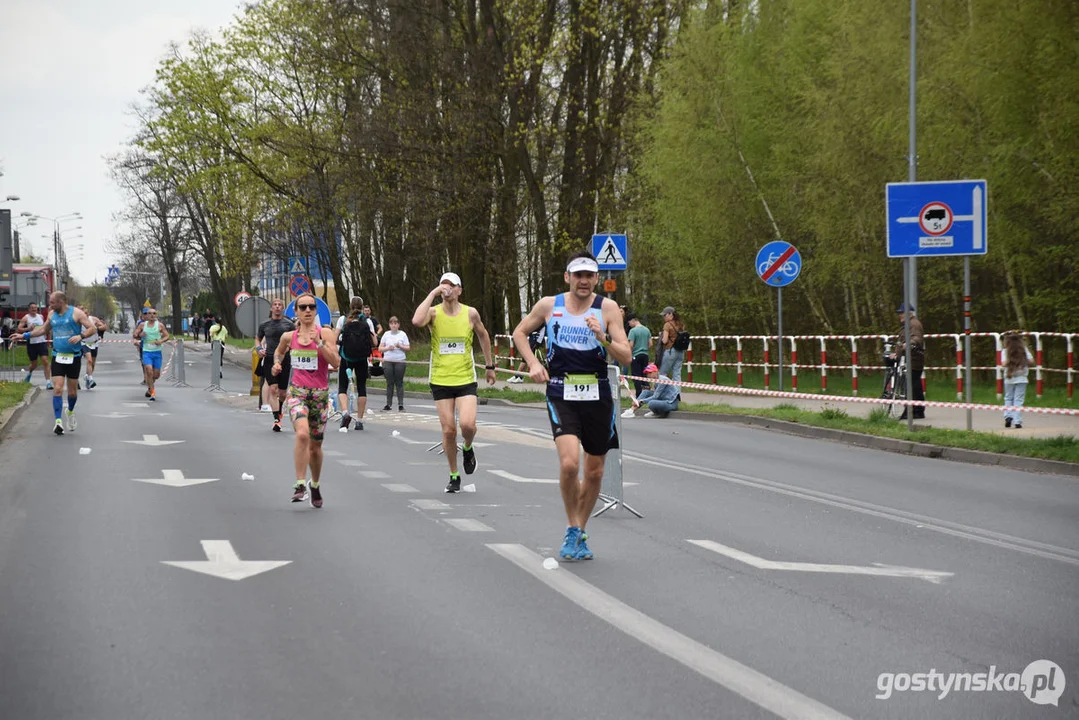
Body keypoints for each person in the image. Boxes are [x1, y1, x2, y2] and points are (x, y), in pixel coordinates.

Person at [511, 251, 632, 561]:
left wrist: (602, 337)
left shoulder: (607, 309)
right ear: (567, 277)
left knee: (594, 472)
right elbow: (520, 333)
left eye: (589, 275)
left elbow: (626, 356)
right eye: (578, 275)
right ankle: (572, 528)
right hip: (561, 390)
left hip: (598, 394)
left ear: (597, 279)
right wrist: (533, 364)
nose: (583, 280)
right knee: (569, 464)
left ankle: (579, 531)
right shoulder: (550, 305)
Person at [412, 271, 497, 492]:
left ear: (459, 290)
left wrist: (489, 366)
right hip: (440, 379)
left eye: (451, 284)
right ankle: (454, 474)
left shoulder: (470, 313)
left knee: (467, 425)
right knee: (449, 430)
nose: (446, 287)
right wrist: (432, 293)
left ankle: (468, 447)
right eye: (443, 284)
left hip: (465, 378)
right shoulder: (433, 313)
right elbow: (416, 321)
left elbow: (483, 335)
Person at [271, 292, 340, 508]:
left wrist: (320, 344)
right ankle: (300, 483)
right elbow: (279, 352)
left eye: (311, 306)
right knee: (302, 434)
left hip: (319, 395)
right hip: (297, 393)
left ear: (316, 310)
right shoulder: (288, 337)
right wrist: (277, 363)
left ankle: (315, 484)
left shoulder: (325, 333)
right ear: (296, 312)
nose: (308, 310)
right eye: (303, 307)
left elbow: (336, 362)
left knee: (315, 448)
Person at [12, 291, 97, 435]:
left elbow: (92, 328)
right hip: (58, 356)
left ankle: (69, 411)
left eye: (52, 302)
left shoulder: (76, 313)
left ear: (61, 302)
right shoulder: (52, 315)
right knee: (57, 388)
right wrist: (24, 335)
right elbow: (43, 330)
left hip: (74, 357)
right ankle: (58, 422)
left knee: (72, 392)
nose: (49, 305)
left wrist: (80, 336)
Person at [335, 297, 377, 430]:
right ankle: (359, 420)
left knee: (343, 387)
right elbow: (375, 343)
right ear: (362, 306)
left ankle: (345, 412)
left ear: (350, 306)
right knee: (362, 388)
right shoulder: (367, 321)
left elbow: (334, 338)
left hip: (346, 358)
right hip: (361, 359)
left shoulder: (343, 319)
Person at [257, 298, 295, 432]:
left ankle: (279, 410)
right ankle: (276, 420)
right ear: (271, 308)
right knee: (273, 388)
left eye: (280, 305)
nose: (277, 307)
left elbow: (294, 339)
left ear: (283, 308)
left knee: (283, 392)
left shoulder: (289, 324)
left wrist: (291, 348)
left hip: (285, 359)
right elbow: (258, 339)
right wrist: (258, 349)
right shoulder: (264, 325)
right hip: (269, 359)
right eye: (275, 305)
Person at [893, 302, 925, 420]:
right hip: (911, 359)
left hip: (913, 359)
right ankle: (918, 410)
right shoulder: (909, 324)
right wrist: (896, 353)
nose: (899, 315)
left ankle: (911, 411)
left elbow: (916, 338)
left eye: (901, 313)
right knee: (915, 385)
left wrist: (909, 344)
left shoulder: (914, 324)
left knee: (910, 386)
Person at [133, 307, 170, 401]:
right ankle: (153, 393)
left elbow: (167, 336)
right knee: (149, 370)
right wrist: (140, 335)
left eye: (154, 313)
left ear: (156, 315)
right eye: (150, 313)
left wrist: (160, 341)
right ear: (147, 316)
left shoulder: (160, 325)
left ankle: (150, 386)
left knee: (156, 375)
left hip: (157, 352)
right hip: (147, 351)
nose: (152, 315)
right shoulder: (142, 325)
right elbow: (135, 334)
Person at [1002, 331, 1034, 429]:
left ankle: (1008, 416)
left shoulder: (1005, 351)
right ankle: (1017, 421)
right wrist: (1022, 360)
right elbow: (1032, 361)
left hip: (1009, 377)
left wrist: (1011, 361)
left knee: (1008, 398)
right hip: (1022, 378)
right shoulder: (1024, 350)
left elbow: (1003, 364)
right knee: (1018, 400)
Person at [379, 316, 410, 411]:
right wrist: (388, 348)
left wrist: (400, 346)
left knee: (399, 382)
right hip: (388, 360)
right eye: (392, 323)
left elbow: (408, 348)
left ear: (398, 325)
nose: (394, 325)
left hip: (400, 360)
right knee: (389, 382)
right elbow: (380, 348)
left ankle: (401, 404)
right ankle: (388, 404)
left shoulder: (403, 334)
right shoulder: (386, 334)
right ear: (389, 325)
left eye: (395, 323)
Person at [16, 302, 51, 388]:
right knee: (34, 364)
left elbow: (44, 327)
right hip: (32, 343)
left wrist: (47, 331)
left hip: (42, 342)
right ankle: (30, 372)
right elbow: (19, 328)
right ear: (29, 309)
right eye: (32, 308)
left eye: (35, 308)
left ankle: (48, 383)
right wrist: (28, 328)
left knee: (45, 361)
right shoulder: (26, 318)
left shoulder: (41, 317)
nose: (34, 309)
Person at [79, 305, 108, 389]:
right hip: (84, 343)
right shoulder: (79, 321)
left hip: (94, 343)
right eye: (84, 313)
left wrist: (97, 328)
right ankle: (91, 379)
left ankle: (88, 378)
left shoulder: (93, 319)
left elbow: (104, 327)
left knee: (93, 363)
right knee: (89, 360)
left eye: (87, 313)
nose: (85, 315)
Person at [625, 312, 653, 396]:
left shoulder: (633, 331)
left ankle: (639, 394)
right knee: (644, 375)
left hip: (635, 355)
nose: (629, 325)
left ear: (633, 320)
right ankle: (647, 393)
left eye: (629, 323)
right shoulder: (646, 329)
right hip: (645, 355)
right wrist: (644, 348)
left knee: (636, 376)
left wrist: (629, 354)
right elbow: (651, 344)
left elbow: (631, 345)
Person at [658, 306, 686, 382]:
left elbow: (664, 341)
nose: (663, 317)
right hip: (680, 351)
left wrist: (662, 335)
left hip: (670, 351)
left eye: (665, 315)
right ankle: (677, 393)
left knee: (662, 374)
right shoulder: (680, 324)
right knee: (677, 374)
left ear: (670, 314)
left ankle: (660, 393)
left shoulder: (667, 325)